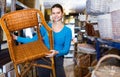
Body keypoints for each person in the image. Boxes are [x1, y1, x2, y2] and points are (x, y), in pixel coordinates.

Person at [12, 4, 72, 77]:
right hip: (44, 58)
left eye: (58, 13)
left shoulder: (67, 31)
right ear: (51, 15)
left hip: (58, 60)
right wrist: (16, 38)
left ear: (62, 13)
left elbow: (66, 50)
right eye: (53, 13)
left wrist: (56, 52)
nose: (56, 15)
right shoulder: (45, 27)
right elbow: (33, 40)